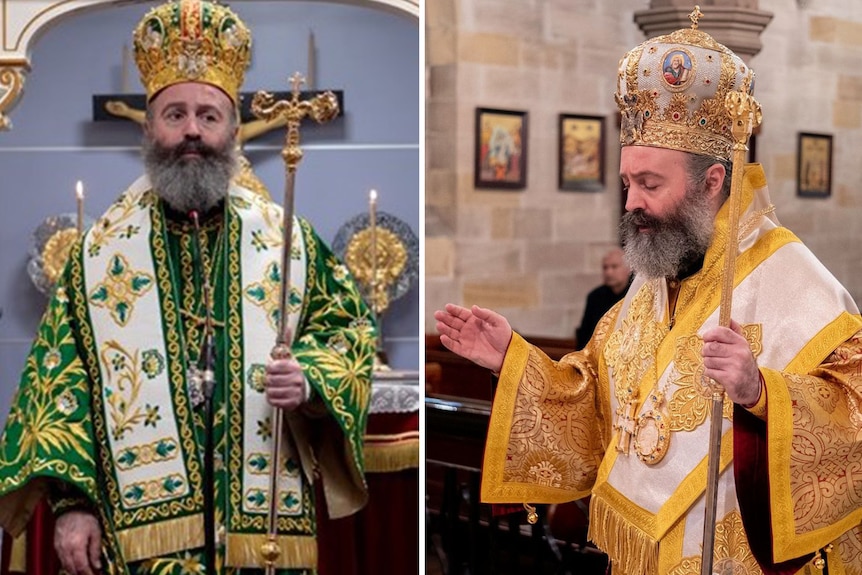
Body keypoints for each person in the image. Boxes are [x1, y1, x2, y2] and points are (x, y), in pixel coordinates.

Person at [435, 12, 862, 575]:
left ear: (712, 183)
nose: (631, 201)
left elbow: (852, 407)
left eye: (650, 184)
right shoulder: (657, 273)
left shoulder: (790, 277)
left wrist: (761, 391)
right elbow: (597, 397)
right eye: (628, 182)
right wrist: (511, 358)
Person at [0, 1, 376, 574]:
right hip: (140, 536)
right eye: (175, 114)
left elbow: (350, 331)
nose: (193, 130)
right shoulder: (99, 256)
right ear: (149, 125)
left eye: (209, 114)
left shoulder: (286, 240)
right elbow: (59, 388)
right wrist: (74, 506)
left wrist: (311, 379)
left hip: (262, 531)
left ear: (232, 128)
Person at [574, 247, 631, 349]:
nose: (609, 272)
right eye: (605, 267)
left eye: (614, 267)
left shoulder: (635, 294)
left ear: (628, 269)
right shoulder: (595, 297)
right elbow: (585, 335)